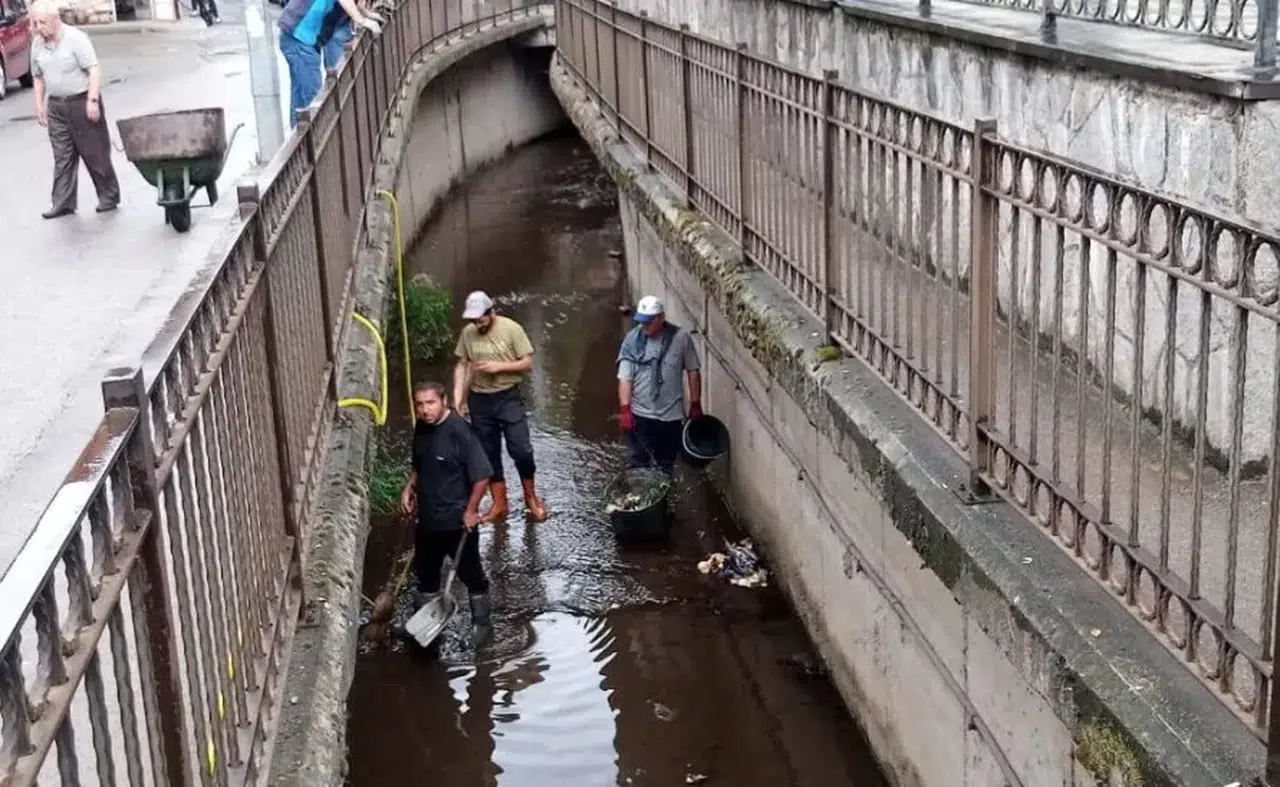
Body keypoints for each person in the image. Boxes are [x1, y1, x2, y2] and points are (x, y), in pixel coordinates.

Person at [399, 382, 493, 635]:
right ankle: (426, 628)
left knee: (471, 574)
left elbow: (482, 476)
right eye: (420, 404)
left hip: (457, 523)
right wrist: (409, 486)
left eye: (430, 403)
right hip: (428, 518)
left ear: (444, 401)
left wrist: (471, 511)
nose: (425, 409)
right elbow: (419, 463)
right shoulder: (422, 427)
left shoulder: (461, 432)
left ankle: (482, 625)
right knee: (426, 574)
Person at [451, 291, 549, 523]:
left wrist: (498, 367)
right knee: (488, 453)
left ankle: (531, 497)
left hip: (508, 397)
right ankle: (499, 503)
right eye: (473, 320)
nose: (477, 324)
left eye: (481, 319)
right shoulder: (468, 334)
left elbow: (527, 364)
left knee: (521, 449)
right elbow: (462, 365)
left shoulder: (511, 329)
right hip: (480, 400)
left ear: (491, 312)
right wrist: (458, 400)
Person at [29, 0, 120, 220]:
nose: (38, 27)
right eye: (35, 22)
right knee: (63, 156)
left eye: (42, 22)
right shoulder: (37, 44)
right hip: (57, 106)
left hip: (81, 101)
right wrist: (39, 104)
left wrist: (93, 100)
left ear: (55, 20)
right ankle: (63, 203)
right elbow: (38, 76)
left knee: (94, 152)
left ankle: (108, 197)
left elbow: (94, 70)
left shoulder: (76, 39)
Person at [616, 295, 702, 475]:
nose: (644, 326)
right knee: (639, 464)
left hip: (670, 416)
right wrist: (625, 409)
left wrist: (695, 403)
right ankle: (641, 495)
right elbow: (625, 378)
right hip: (641, 415)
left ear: (661, 318)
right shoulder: (632, 341)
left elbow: (693, 371)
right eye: (641, 322)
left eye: (649, 322)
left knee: (666, 464)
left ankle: (663, 493)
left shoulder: (681, 339)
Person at [278, 0, 382, 126]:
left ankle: (300, 137)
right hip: (300, 36)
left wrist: (366, 14)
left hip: (295, 34)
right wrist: (363, 20)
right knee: (313, 97)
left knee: (300, 96)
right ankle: (312, 139)